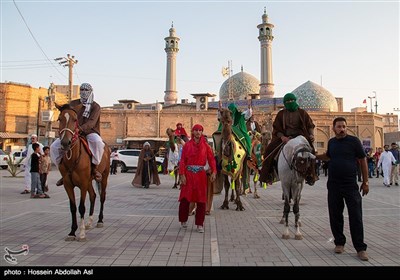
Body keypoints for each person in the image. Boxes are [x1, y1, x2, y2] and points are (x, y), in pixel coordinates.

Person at [317, 117, 369, 261]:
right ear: (333, 128)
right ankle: (339, 243)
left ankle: (360, 248)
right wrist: (313, 155)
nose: (342, 129)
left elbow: (363, 160)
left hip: (350, 185)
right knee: (335, 214)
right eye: (339, 126)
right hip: (334, 184)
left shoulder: (354, 142)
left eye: (344, 126)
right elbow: (328, 156)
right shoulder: (332, 142)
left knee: (356, 216)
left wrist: (365, 182)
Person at [50, 83, 105, 186]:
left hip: (90, 132)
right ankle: (62, 171)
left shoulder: (95, 106)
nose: (84, 92)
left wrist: (80, 129)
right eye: (82, 89)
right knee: (54, 147)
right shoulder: (73, 103)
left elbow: (92, 122)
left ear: (90, 91)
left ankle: (95, 168)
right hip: (72, 131)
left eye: (86, 90)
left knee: (98, 142)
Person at [259, 92, 318, 185]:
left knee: (312, 152)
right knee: (269, 150)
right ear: (284, 103)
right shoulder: (281, 114)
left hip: (301, 137)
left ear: (295, 100)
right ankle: (267, 175)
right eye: (288, 101)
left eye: (292, 100)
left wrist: (311, 135)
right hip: (285, 137)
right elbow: (276, 129)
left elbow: (310, 125)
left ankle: (311, 174)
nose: (290, 102)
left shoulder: (302, 113)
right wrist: (282, 137)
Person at [178, 124, 217, 233]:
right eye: (196, 130)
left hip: (200, 175)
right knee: (185, 198)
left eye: (200, 130)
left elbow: (211, 159)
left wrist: (214, 171)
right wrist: (182, 174)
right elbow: (182, 161)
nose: (198, 132)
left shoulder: (206, 146)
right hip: (189, 174)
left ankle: (200, 224)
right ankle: (183, 220)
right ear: (192, 132)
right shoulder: (187, 146)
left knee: (201, 200)